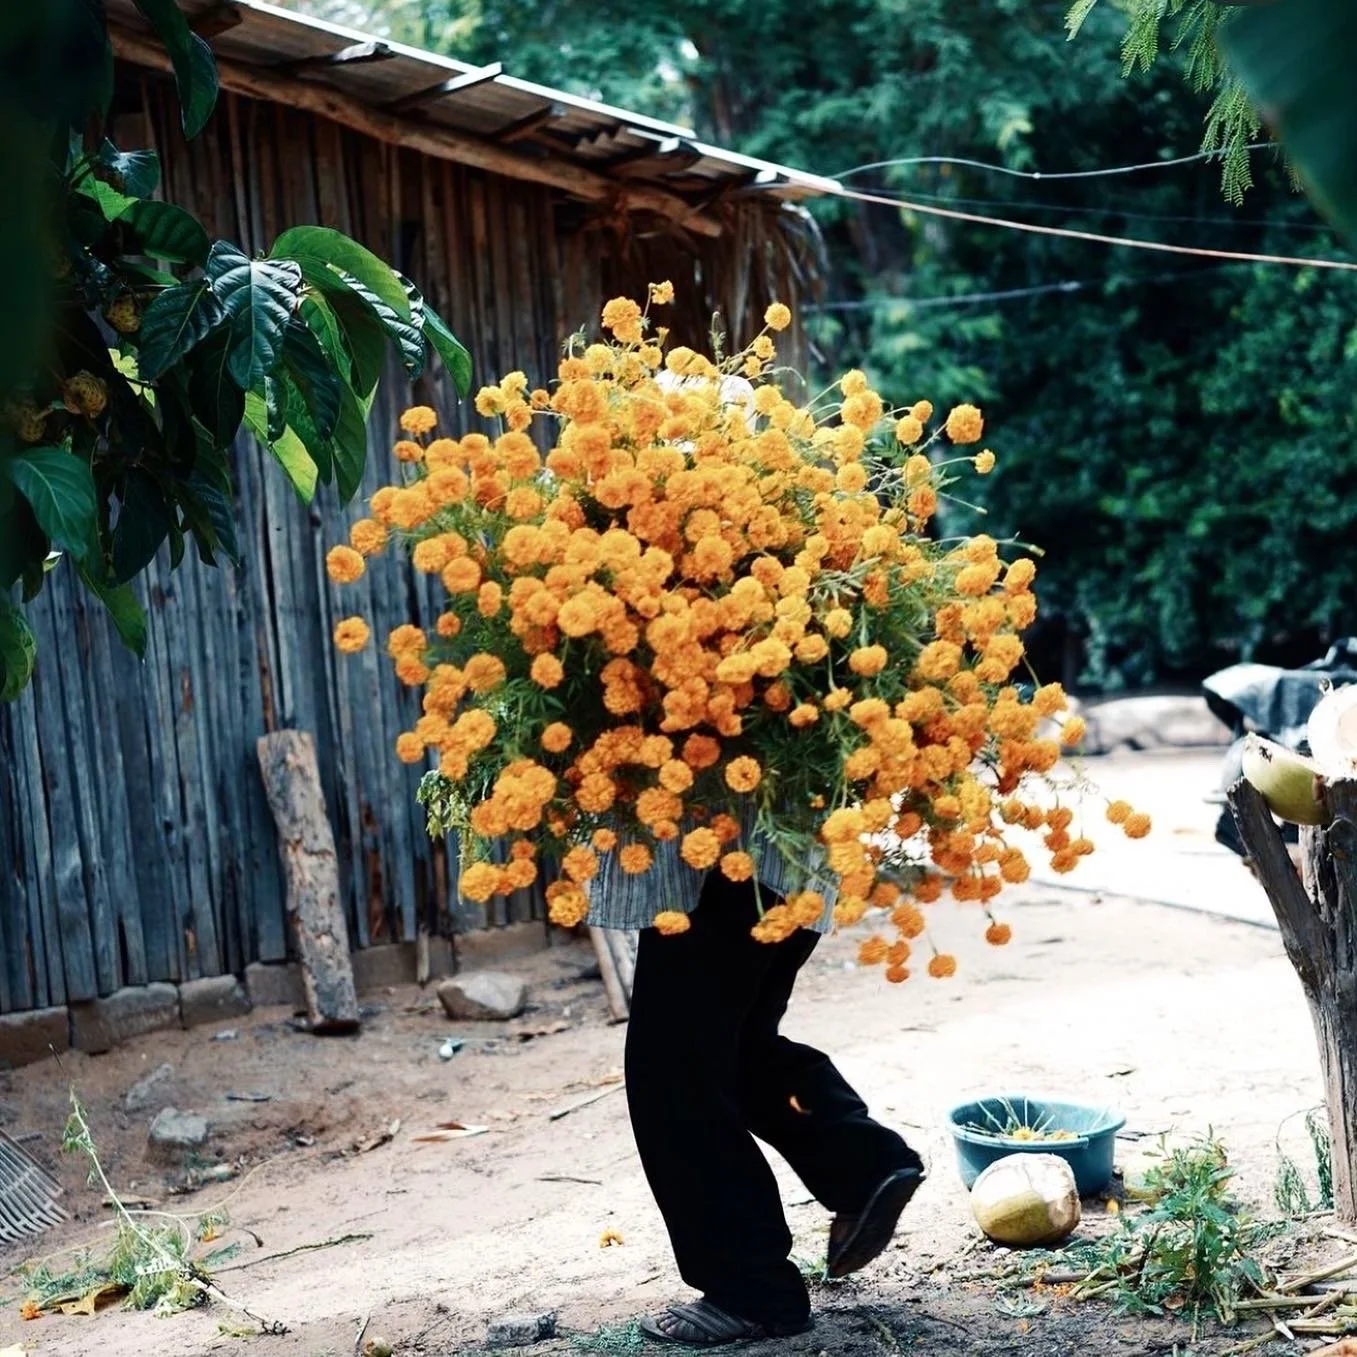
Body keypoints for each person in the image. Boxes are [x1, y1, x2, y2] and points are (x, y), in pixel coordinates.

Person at [589, 829, 925, 1347]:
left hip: (722, 852)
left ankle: (749, 1289)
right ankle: (863, 1165)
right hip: (784, 853)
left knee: (674, 1070)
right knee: (732, 1046)